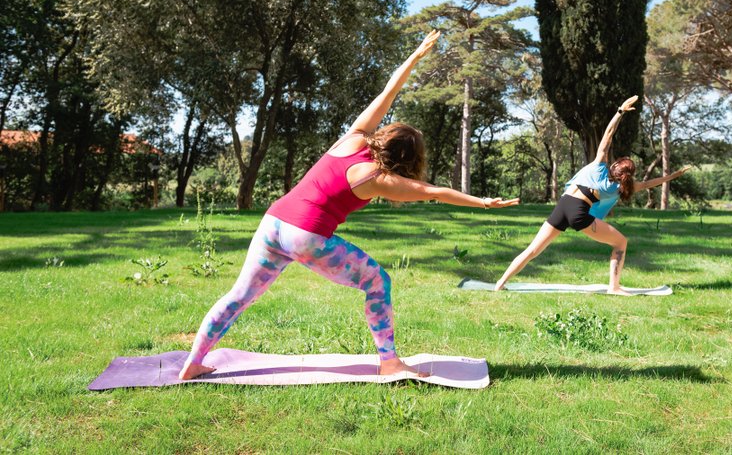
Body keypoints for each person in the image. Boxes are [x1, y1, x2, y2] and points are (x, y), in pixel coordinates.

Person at [179, 30, 519, 380]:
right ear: (407, 159)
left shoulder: (353, 137)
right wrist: (482, 202)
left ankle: (193, 363)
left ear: (385, 136)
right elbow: (432, 191)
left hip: (273, 222)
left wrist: (416, 56)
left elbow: (389, 92)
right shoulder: (378, 179)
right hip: (306, 235)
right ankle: (389, 361)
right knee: (377, 281)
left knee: (239, 295)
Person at [494, 95, 689, 295]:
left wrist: (619, 111)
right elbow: (650, 183)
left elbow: (608, 135)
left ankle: (500, 283)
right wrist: (673, 176)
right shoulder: (618, 189)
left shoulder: (598, 166)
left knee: (532, 250)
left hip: (563, 205)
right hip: (579, 212)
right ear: (628, 176)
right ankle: (614, 287)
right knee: (621, 242)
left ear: (614, 166)